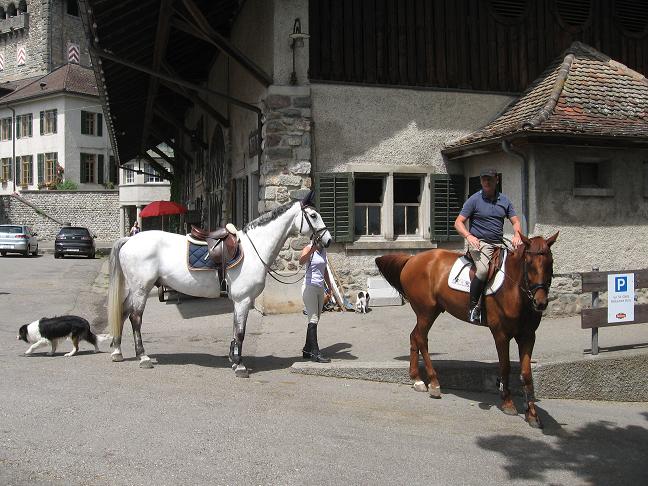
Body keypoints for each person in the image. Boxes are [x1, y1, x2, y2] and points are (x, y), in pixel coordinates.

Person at [454, 168, 523, 324]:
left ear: (496, 180)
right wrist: (469, 236)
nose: (487, 182)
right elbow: (458, 223)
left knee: (516, 264)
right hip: (480, 244)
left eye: (490, 179)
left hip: (499, 242)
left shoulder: (504, 200)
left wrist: (517, 234)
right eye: (484, 179)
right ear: (481, 181)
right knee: (484, 270)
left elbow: (516, 221)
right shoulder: (474, 200)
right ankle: (473, 308)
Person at [299, 238, 333, 363]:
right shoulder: (309, 248)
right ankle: (315, 353)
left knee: (315, 319)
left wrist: (329, 287)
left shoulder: (323, 251)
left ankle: (307, 349)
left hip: (320, 288)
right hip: (309, 287)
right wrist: (311, 251)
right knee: (313, 319)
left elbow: (325, 270)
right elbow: (301, 261)